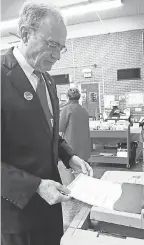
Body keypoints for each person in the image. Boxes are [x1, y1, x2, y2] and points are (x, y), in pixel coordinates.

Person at [1, 1, 93, 245]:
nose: (57, 55)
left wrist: (68, 156)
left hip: (52, 207)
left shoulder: (48, 81)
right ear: (25, 33)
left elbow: (49, 131)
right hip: (18, 214)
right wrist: (36, 186)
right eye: (52, 44)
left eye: (61, 48)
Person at [59, 88, 91, 162]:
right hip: (84, 147)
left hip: (71, 146)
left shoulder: (66, 109)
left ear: (67, 97)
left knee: (71, 171)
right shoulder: (84, 110)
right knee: (83, 170)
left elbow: (60, 128)